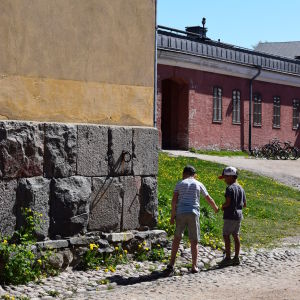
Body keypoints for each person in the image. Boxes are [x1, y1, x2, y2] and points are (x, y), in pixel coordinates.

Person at [164, 165, 219, 275]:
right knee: (194, 240)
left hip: (181, 213)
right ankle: (194, 266)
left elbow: (174, 202)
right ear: (194, 175)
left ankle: (171, 264)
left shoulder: (180, 184)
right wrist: (215, 208)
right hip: (193, 213)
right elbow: (208, 198)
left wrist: (172, 216)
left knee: (177, 238)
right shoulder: (198, 184)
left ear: (184, 174)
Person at [218, 166, 246, 267]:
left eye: (225, 177)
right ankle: (237, 257)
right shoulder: (241, 188)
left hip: (230, 215)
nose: (224, 179)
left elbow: (228, 202)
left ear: (231, 177)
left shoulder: (229, 188)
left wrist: (222, 206)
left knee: (226, 236)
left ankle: (228, 258)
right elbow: (245, 204)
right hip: (239, 215)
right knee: (236, 235)